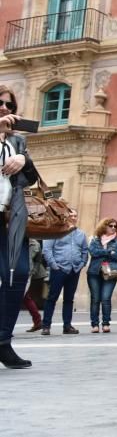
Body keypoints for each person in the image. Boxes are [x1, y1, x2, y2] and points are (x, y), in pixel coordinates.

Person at [0, 85, 40, 368]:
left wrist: (23, 159)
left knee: (18, 274)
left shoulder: (17, 142)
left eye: (9, 106)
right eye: (0, 104)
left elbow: (33, 179)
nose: (5, 109)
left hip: (11, 217)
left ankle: (3, 342)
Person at [41, 210, 88, 335]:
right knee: (52, 297)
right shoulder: (56, 231)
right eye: (70, 215)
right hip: (59, 269)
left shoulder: (81, 234)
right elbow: (47, 250)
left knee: (69, 299)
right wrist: (54, 266)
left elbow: (84, 251)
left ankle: (67, 326)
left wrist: (82, 263)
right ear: (65, 217)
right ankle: (46, 326)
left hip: (74, 270)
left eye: (75, 216)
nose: (73, 218)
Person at [87, 218, 117, 333]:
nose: (113, 228)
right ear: (104, 226)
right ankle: (94, 324)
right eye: (110, 225)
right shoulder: (95, 239)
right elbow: (92, 252)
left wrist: (102, 251)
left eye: (115, 226)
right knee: (95, 299)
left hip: (110, 273)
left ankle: (106, 323)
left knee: (106, 298)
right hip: (94, 272)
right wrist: (108, 251)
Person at [24, 239, 48, 331]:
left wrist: (33, 271)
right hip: (11, 272)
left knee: (23, 297)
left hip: (27, 274)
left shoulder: (35, 244)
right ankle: (37, 321)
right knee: (26, 298)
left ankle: (38, 321)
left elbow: (38, 261)